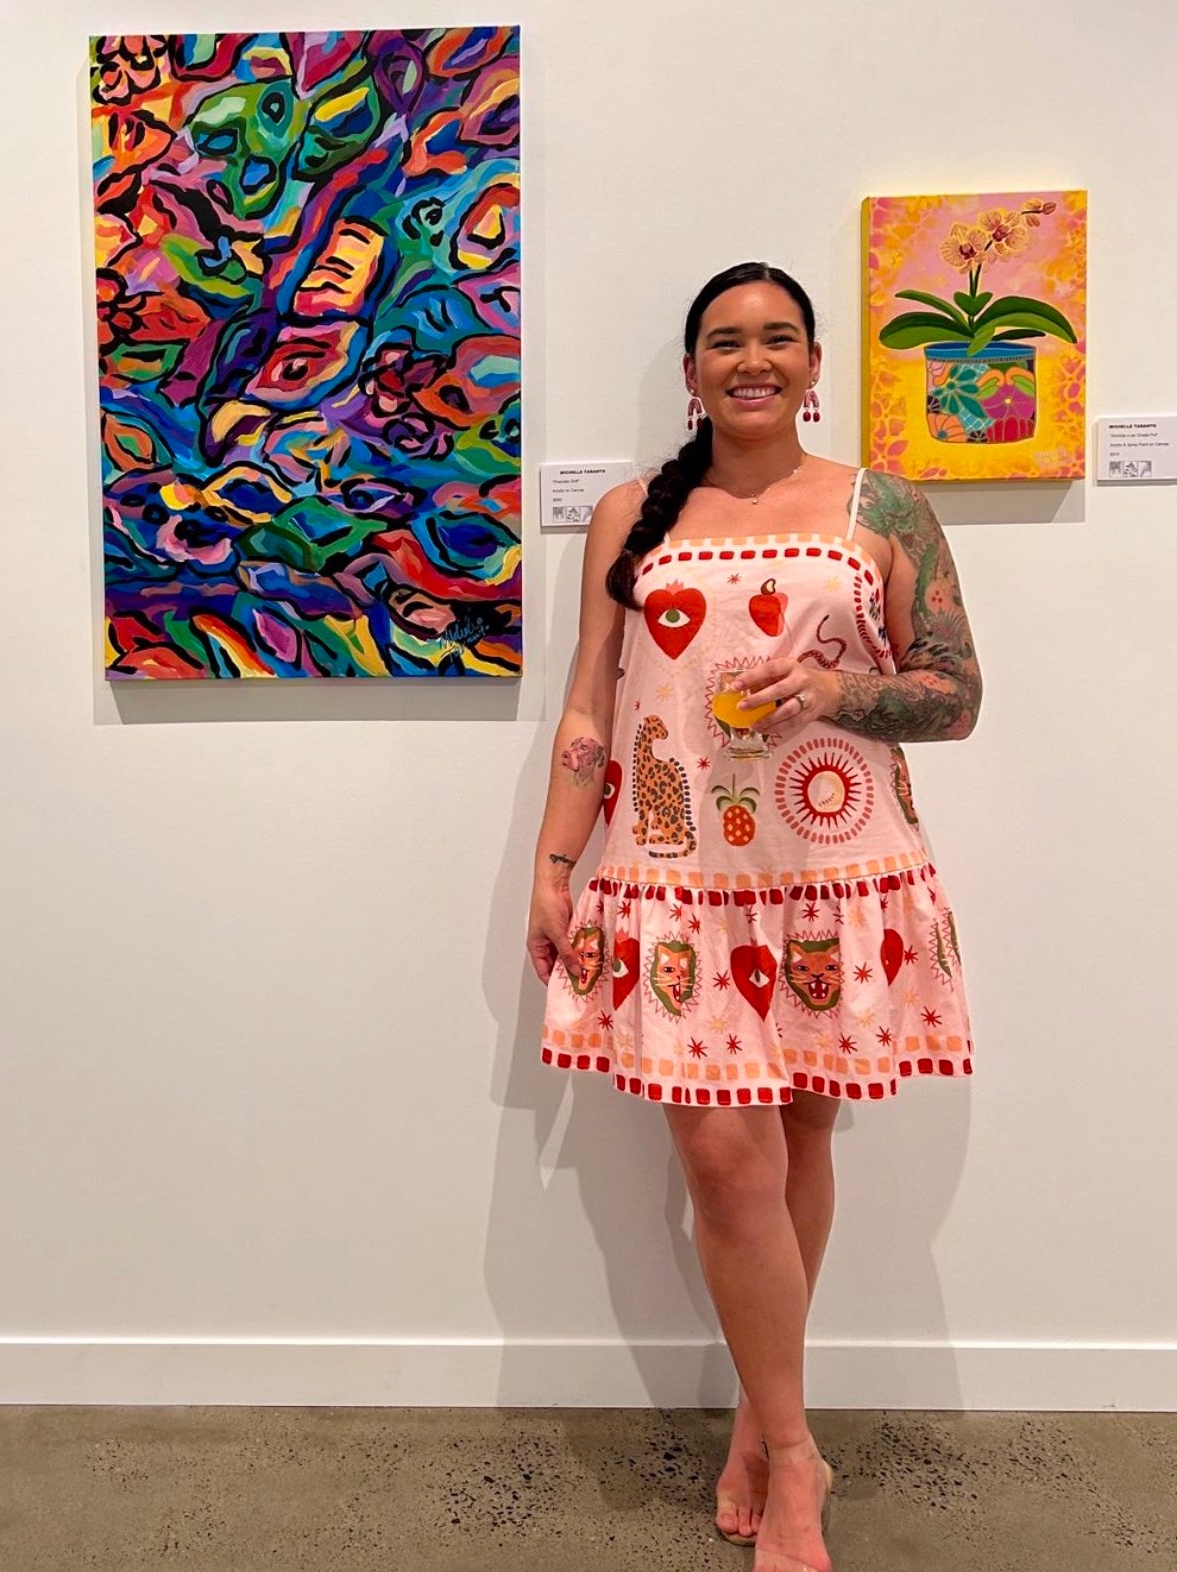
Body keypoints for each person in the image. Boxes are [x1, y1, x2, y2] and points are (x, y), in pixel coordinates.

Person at [527, 262, 981, 1572]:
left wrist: (840, 693)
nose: (752, 359)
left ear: (816, 362)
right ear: (690, 372)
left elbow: (956, 695)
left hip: (840, 883)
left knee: (791, 1153)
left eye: (778, 337)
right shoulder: (631, 515)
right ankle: (797, 1455)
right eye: (724, 342)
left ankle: (754, 1419)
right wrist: (556, 870)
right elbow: (589, 709)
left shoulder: (880, 506)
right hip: (677, 889)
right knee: (726, 1164)